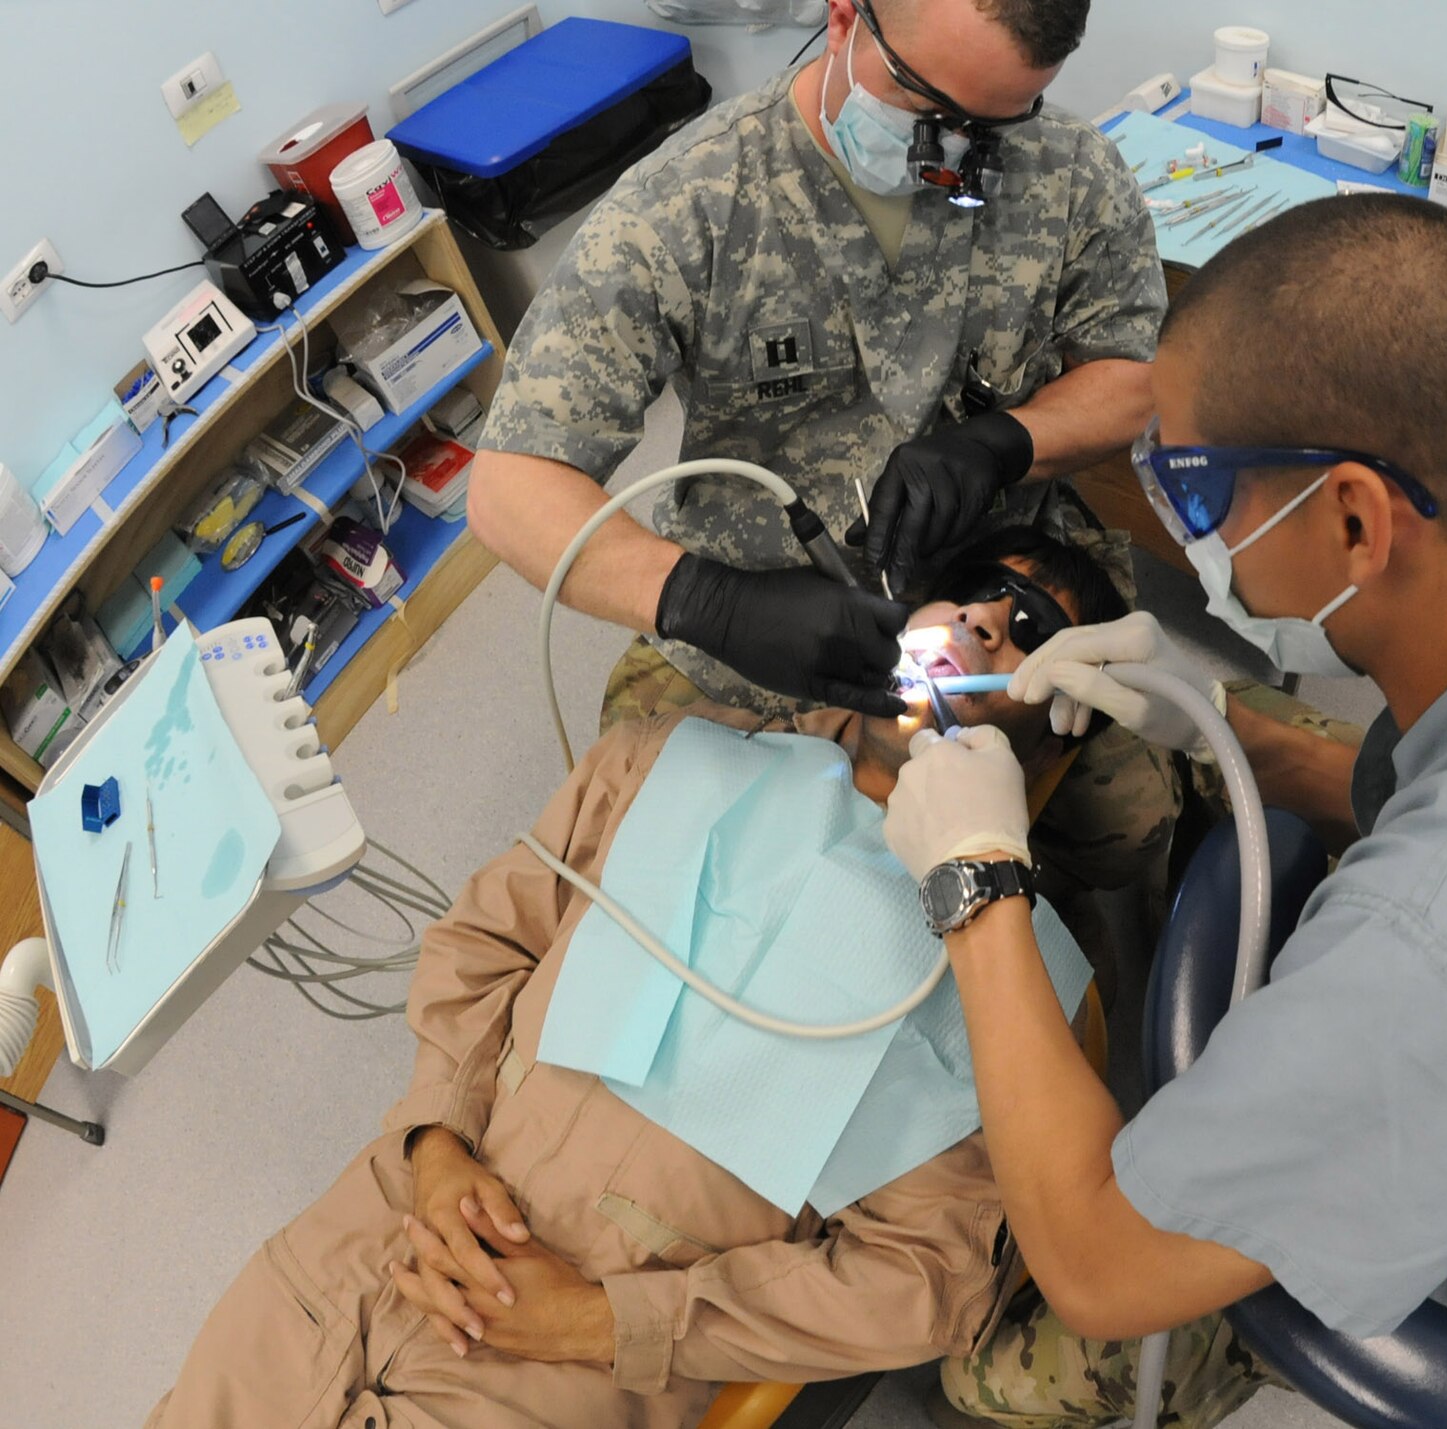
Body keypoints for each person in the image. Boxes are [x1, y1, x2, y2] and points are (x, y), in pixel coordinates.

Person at [882, 195, 1447, 1429]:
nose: (1184, 530)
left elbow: (1099, 1270)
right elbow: (1425, 773)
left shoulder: (1438, 952)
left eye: (1197, 491)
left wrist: (977, 881)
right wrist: (1209, 721)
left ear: (1355, 519)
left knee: (985, 1378)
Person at [146, 529, 1133, 1429]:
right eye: (972, 591)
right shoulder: (660, 757)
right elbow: (483, 940)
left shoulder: (1004, 983)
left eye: (1027, 630)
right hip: (365, 1244)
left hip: (558, 1377)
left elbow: (922, 1282)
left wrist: (603, 1322)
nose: (980, 621)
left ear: (1062, 724)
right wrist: (438, 1140)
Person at [471, 0, 1177, 936]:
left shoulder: (1073, 172)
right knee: (667, 855)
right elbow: (512, 484)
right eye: (926, 104)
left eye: (994, 128)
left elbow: (1133, 379)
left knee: (1131, 821)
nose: (951, 154)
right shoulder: (690, 203)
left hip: (1002, 594)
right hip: (754, 618)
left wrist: (1004, 440)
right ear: (846, 16)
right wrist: (708, 602)